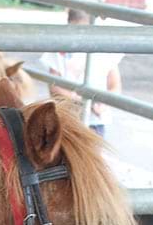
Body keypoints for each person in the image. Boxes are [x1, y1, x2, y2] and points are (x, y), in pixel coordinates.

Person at [39, 8, 123, 137]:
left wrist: (104, 102)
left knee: (92, 153)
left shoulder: (105, 50)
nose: (80, 37)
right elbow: (54, 87)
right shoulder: (60, 50)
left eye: (85, 31)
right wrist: (84, 102)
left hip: (95, 119)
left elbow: (115, 85)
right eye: (75, 30)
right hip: (67, 118)